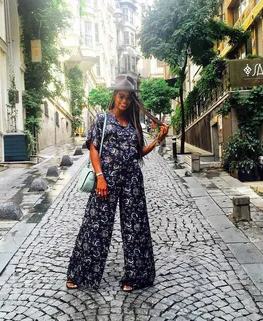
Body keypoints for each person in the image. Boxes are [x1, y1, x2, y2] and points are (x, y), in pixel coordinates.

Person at [66, 74, 169, 292]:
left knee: (136, 228)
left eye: (129, 98)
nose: (124, 101)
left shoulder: (134, 124)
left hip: (132, 180)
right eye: (121, 96)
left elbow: (138, 153)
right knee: (96, 226)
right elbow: (94, 148)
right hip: (107, 180)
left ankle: (136, 276)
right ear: (115, 96)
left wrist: (158, 139)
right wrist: (100, 177)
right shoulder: (103, 119)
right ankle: (81, 274)